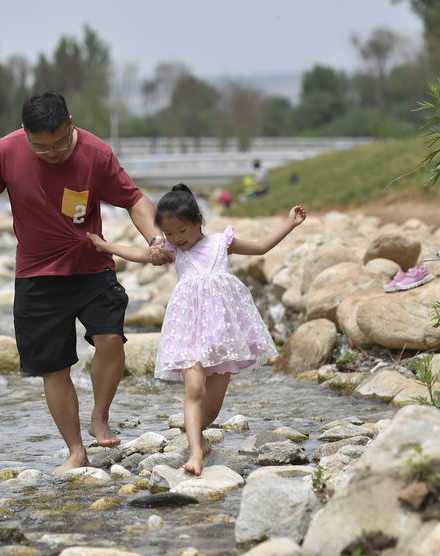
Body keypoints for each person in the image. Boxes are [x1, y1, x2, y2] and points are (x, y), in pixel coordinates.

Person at [0, 91, 166, 475]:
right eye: (40, 146)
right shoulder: (7, 151)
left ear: (71, 124)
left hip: (92, 268)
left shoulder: (96, 154)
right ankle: (76, 451)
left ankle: (100, 417)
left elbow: (134, 200)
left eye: (60, 142)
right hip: (36, 275)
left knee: (111, 339)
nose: (51, 153)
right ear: (25, 133)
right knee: (54, 367)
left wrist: (155, 239)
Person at [88, 184, 306, 475]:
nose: (177, 239)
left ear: (198, 221)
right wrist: (105, 246)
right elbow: (139, 254)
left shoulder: (220, 242)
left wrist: (290, 223)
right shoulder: (170, 250)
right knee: (194, 389)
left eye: (182, 231)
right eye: (169, 234)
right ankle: (194, 454)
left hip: (222, 333)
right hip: (189, 331)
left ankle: (198, 434)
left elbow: (261, 246)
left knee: (213, 406)